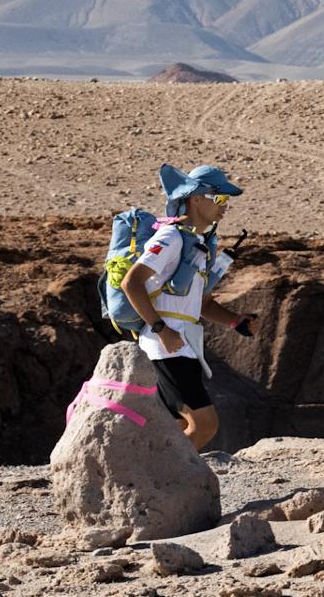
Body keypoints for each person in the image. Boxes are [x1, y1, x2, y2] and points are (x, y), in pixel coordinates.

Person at [121, 164, 256, 451]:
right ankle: (164, 485)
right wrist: (160, 329)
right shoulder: (170, 238)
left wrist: (234, 320)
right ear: (196, 199)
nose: (225, 207)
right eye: (219, 199)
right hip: (165, 347)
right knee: (204, 424)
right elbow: (131, 283)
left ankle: (161, 483)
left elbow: (202, 302)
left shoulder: (198, 244)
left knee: (181, 427)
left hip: (184, 346)